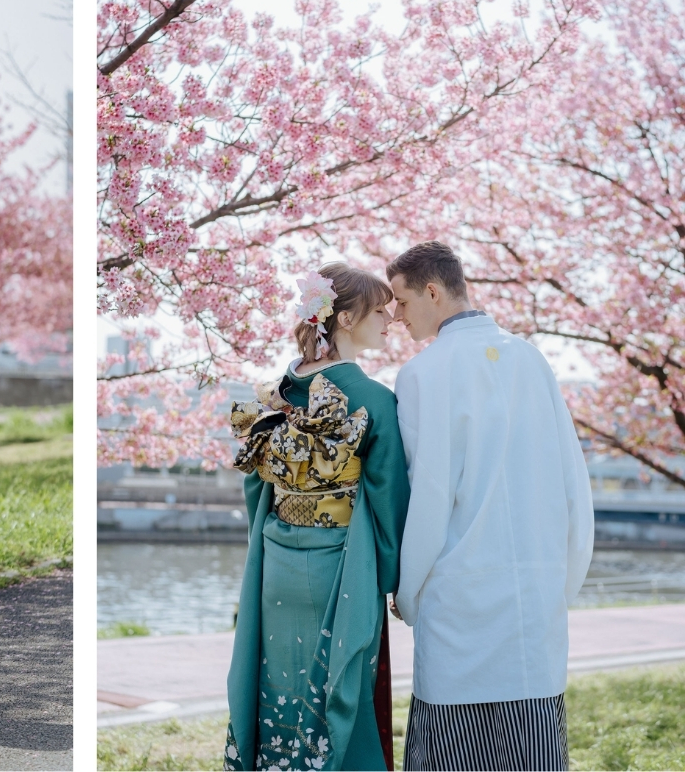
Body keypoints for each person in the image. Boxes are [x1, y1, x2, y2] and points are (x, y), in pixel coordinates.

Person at [387, 241, 594, 771]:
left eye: (402, 301)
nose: (397, 315)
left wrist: (408, 593)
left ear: (432, 292)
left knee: (454, 748)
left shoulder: (421, 374)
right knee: (534, 749)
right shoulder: (530, 358)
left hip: (459, 592)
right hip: (535, 589)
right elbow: (574, 480)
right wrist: (564, 580)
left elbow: (429, 494)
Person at [224, 263, 410, 771]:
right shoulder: (372, 399)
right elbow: (388, 492)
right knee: (338, 689)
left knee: (276, 681)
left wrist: (266, 536)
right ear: (345, 318)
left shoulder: (279, 393)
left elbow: (254, 480)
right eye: (379, 311)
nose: (390, 321)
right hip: (341, 568)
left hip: (277, 560)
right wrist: (393, 577)